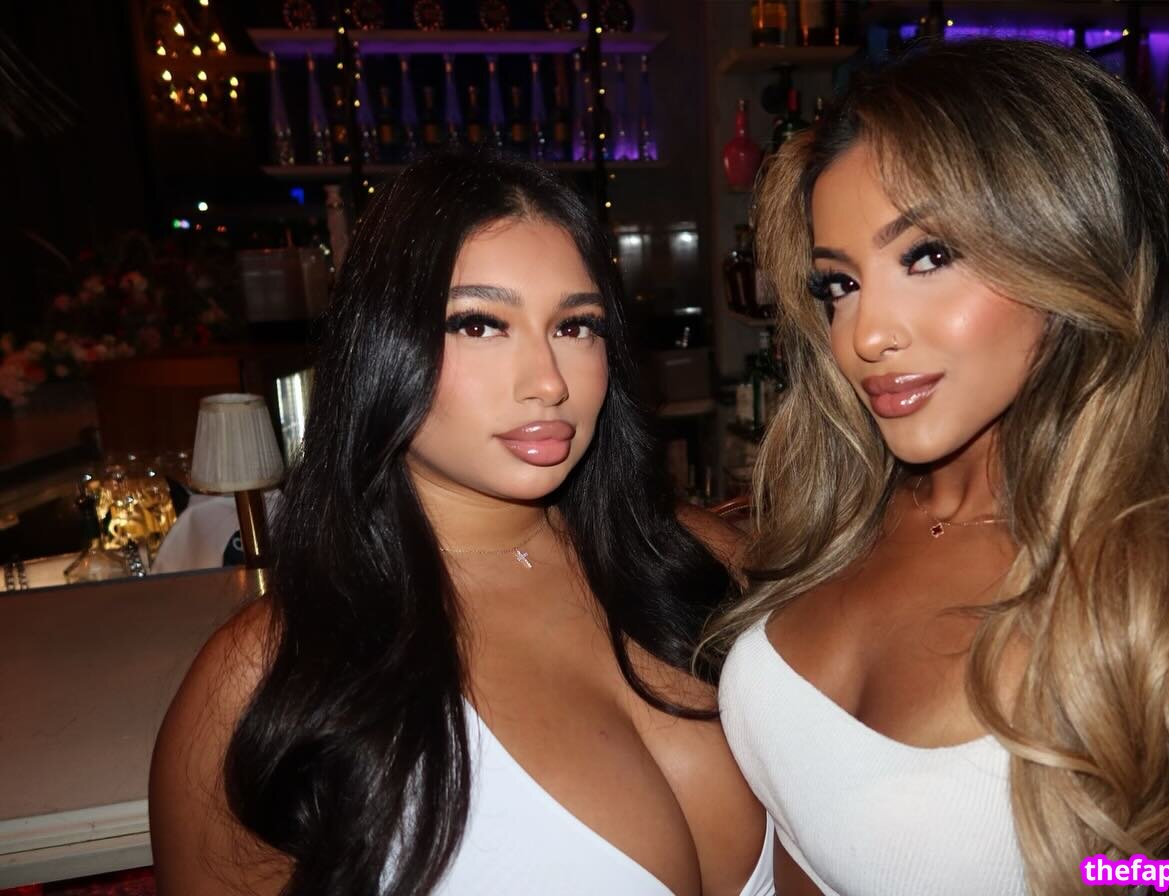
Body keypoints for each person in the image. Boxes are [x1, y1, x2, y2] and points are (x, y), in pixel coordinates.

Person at [703, 39, 1169, 896]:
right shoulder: (840, 518)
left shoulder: (1165, 615)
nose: (865, 335)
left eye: (927, 257)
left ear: (1068, 257)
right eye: (839, 285)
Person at [150, 152, 772, 896]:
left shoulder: (708, 562)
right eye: (479, 324)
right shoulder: (266, 682)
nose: (547, 381)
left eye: (576, 325)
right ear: (382, 346)